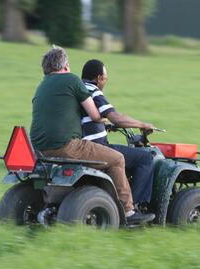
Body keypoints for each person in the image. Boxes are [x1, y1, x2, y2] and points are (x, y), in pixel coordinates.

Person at [29, 46, 154, 224]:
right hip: (66, 146)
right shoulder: (72, 80)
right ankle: (129, 212)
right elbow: (95, 115)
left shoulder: (41, 86)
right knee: (117, 158)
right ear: (65, 66)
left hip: (39, 149)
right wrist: (109, 120)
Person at [81, 59, 155, 208]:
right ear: (99, 78)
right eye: (105, 78)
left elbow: (86, 117)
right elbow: (116, 118)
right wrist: (142, 124)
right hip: (97, 147)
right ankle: (136, 206)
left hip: (79, 144)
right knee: (145, 158)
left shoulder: (78, 89)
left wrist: (103, 126)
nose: (105, 82)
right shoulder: (93, 91)